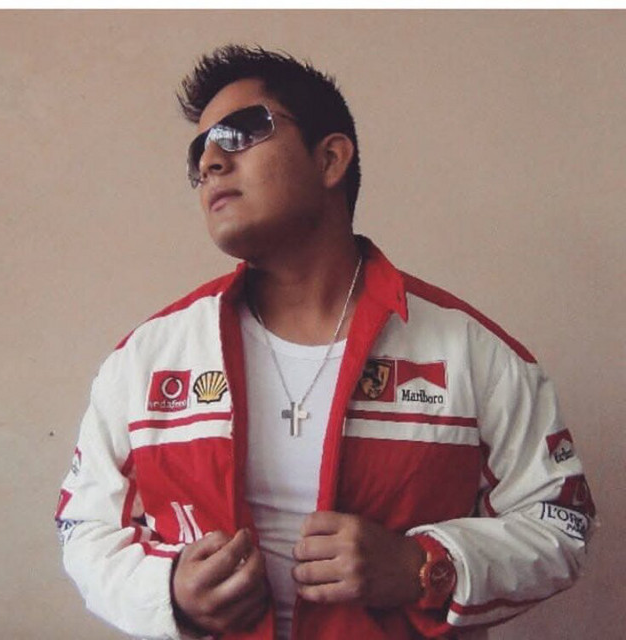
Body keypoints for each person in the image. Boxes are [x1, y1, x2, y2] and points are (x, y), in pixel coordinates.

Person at [56, 45, 595, 640]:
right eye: (199, 152)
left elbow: (561, 522)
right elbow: (84, 527)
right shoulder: (144, 362)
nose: (210, 161)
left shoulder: (471, 353)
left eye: (240, 133)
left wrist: (424, 568)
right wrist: (168, 589)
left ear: (331, 158)